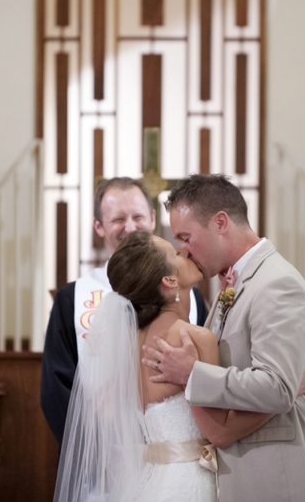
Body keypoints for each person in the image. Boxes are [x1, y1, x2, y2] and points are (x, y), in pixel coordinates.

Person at [142, 174, 305, 502]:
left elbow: (277, 388)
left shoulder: (277, 284)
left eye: (186, 238)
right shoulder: (230, 284)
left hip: (276, 475)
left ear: (220, 222)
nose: (185, 252)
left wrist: (192, 375)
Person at [54, 231, 274, 502]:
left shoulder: (131, 345)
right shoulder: (192, 339)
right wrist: (280, 399)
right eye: (177, 253)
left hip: (151, 482)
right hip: (191, 484)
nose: (186, 250)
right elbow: (221, 431)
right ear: (170, 281)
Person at [40, 177, 209, 444]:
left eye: (138, 216)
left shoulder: (191, 297)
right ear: (99, 225)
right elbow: (56, 388)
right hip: (102, 459)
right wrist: (95, 451)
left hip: (173, 446)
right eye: (118, 219)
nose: (130, 227)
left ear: (153, 219)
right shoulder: (72, 299)